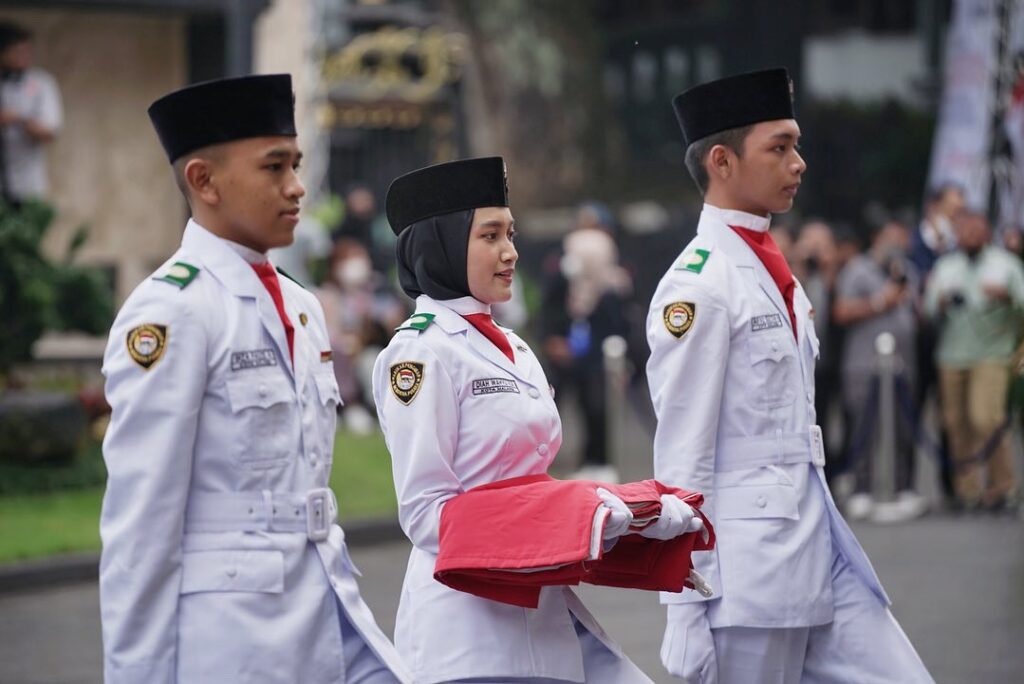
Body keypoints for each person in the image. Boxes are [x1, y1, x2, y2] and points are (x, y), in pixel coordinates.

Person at [99, 74, 409, 684]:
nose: (296, 188)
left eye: (295, 164)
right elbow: (142, 520)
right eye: (273, 168)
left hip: (323, 601)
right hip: (230, 635)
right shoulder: (173, 310)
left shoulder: (299, 305)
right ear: (203, 180)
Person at [647, 68, 934, 683]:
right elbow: (682, 453)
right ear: (722, 161)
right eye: (779, 147)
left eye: (795, 145)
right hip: (747, 578)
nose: (798, 163)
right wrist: (686, 602)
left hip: (814, 543)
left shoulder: (769, 268)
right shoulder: (699, 285)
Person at [372, 157, 701, 683]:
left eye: (511, 232)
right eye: (490, 235)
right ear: (442, 245)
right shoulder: (419, 354)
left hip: (544, 610)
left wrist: (625, 521)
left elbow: (530, 481)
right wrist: (576, 515)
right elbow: (427, 514)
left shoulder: (514, 347)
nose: (511, 252)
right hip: (467, 630)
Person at [924, 209, 1024, 512]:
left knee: (986, 418)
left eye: (975, 231)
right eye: (964, 232)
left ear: (986, 233)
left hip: (992, 354)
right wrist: (941, 302)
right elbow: (928, 309)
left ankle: (1003, 486)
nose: (969, 236)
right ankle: (968, 491)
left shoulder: (1005, 265)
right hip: (952, 355)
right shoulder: (946, 266)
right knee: (956, 424)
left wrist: (1005, 297)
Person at [833, 218, 928, 522]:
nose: (897, 245)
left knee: (902, 428)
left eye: (902, 240)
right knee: (864, 427)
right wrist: (879, 302)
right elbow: (842, 311)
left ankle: (903, 488)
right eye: (892, 238)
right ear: (878, 239)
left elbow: (916, 311)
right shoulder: (858, 269)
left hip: (902, 365)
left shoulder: (907, 271)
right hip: (864, 364)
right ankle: (861, 489)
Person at [539, 202, 631, 483]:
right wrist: (553, 339)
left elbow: (619, 313)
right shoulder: (560, 264)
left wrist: (617, 348)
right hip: (563, 344)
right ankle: (536, 464)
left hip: (595, 347)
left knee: (596, 403)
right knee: (548, 403)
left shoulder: (615, 274)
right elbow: (549, 305)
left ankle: (596, 460)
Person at [0, 20, 62, 205]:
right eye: (18, 51)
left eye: (27, 51)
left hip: (28, 186)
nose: (25, 56)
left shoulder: (41, 83)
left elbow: (51, 130)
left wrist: (18, 119)